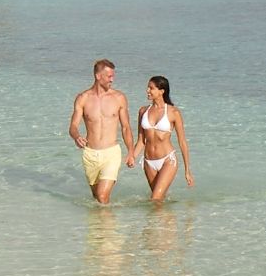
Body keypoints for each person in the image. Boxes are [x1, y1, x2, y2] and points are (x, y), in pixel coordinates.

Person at [70, 58, 133, 204]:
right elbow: (73, 126)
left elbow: (125, 127)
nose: (112, 79)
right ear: (98, 76)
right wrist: (76, 136)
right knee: (97, 198)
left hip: (111, 152)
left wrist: (130, 151)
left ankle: (106, 226)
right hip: (90, 154)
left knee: (102, 195)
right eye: (109, 76)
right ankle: (99, 226)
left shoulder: (119, 98)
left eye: (113, 76)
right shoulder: (83, 98)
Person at [132, 74, 194, 201]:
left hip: (168, 160)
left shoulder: (173, 112)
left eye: (151, 88)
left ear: (161, 91)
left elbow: (182, 142)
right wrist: (132, 156)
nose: (147, 91)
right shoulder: (143, 111)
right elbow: (141, 141)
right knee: (159, 201)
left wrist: (187, 170)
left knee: (155, 198)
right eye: (148, 88)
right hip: (148, 162)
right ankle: (167, 220)